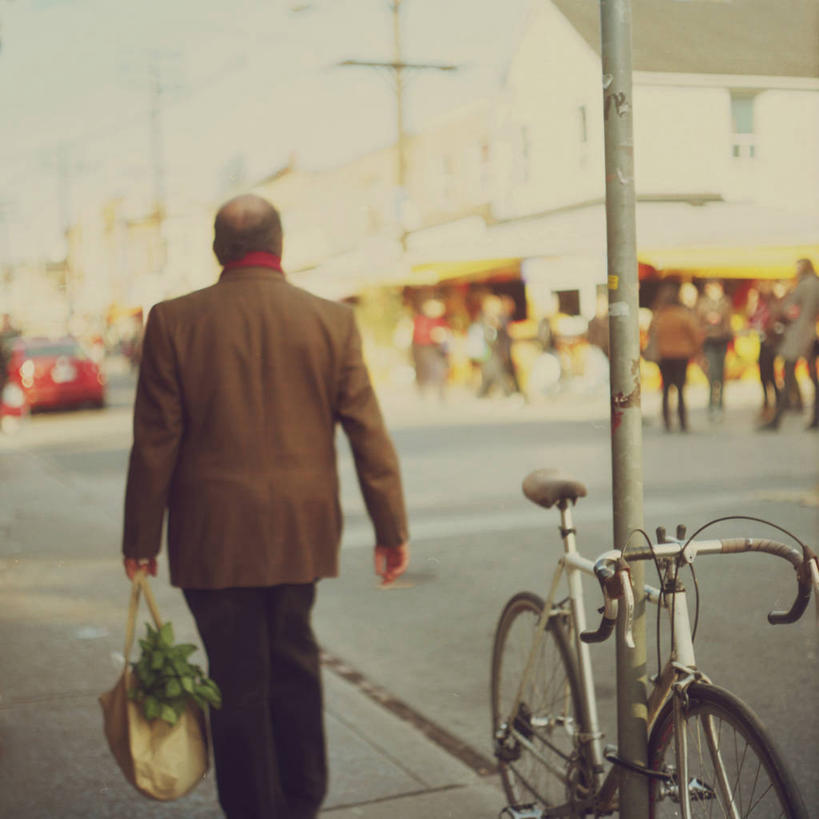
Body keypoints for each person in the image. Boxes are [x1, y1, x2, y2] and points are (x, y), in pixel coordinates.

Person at [121, 194, 410, 819]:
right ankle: (303, 798)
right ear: (280, 245)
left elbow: (155, 442)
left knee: (233, 675)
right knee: (294, 659)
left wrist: (139, 540)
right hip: (299, 531)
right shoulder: (331, 321)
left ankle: (253, 808)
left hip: (211, 536)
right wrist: (391, 529)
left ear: (217, 248)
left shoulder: (174, 320)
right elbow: (368, 432)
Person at [760, 258, 819, 431]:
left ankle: (777, 418)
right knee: (812, 377)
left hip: (797, 334)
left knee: (789, 375)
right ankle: (815, 416)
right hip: (810, 332)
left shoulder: (804, 286)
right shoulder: (815, 284)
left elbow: (788, 308)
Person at [649, 282, 702, 432]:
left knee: (666, 390)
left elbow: (651, 335)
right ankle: (683, 421)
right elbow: (696, 335)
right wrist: (694, 350)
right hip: (681, 355)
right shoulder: (683, 315)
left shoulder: (659, 316)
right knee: (680, 389)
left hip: (664, 355)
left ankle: (667, 421)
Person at [695, 279, 733, 421]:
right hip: (709, 339)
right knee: (712, 371)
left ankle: (720, 402)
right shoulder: (703, 303)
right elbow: (698, 319)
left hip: (722, 339)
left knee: (721, 371)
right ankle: (712, 402)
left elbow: (728, 320)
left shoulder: (725, 302)